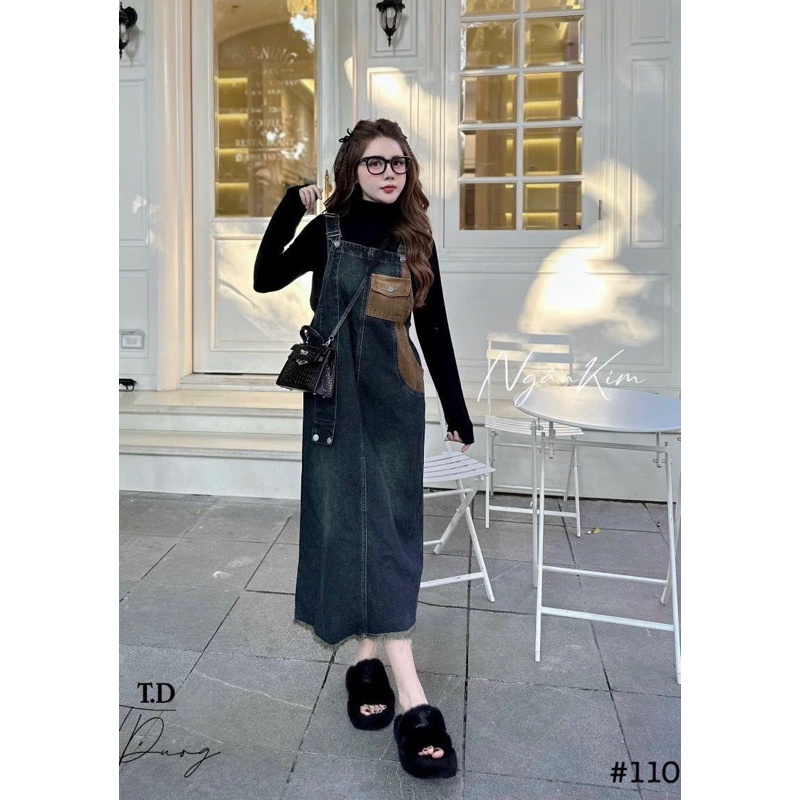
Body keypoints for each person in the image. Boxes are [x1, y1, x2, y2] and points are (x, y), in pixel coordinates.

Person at [253, 118, 473, 780]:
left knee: (390, 532)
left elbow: (434, 329)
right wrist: (288, 208)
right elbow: (265, 276)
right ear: (351, 169)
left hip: (395, 405)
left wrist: (456, 412)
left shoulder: (415, 238)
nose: (389, 173)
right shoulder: (328, 232)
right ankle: (410, 694)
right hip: (334, 405)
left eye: (398, 163)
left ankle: (366, 661)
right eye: (375, 163)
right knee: (354, 528)